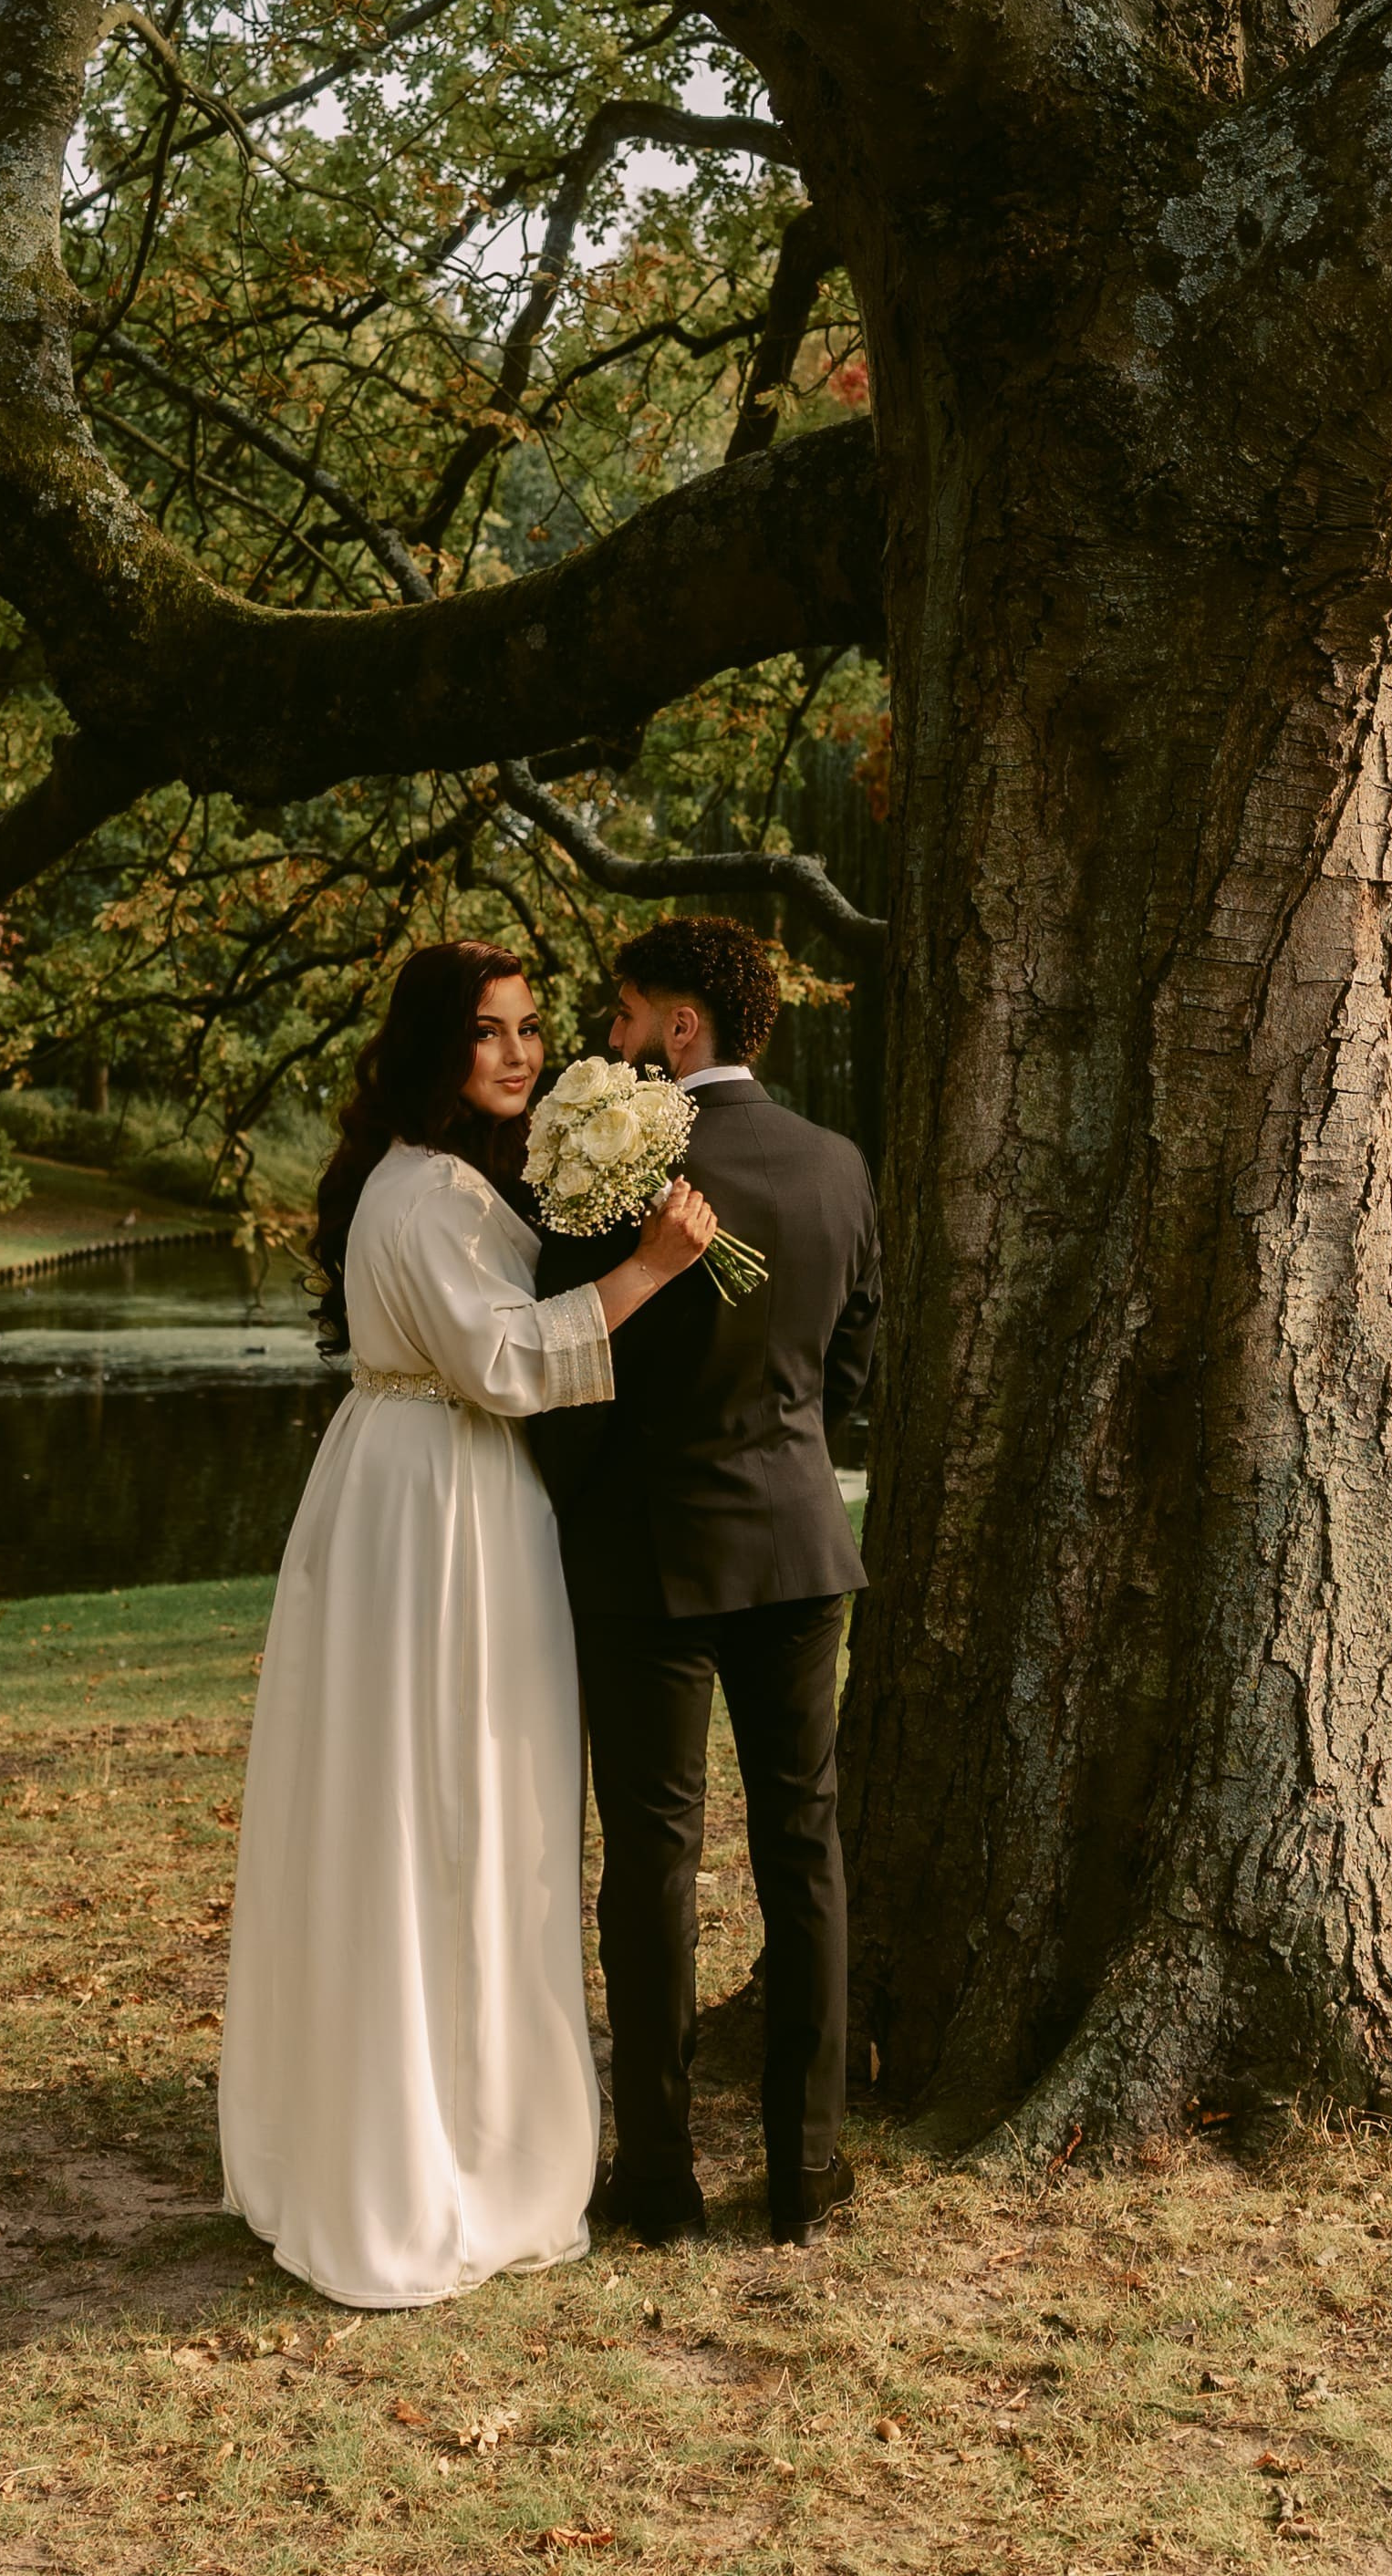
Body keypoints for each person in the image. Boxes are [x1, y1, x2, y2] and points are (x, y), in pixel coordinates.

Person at [218, 940, 716, 2310]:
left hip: (406, 1487)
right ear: (437, 1048)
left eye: (530, 1028)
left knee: (421, 1800)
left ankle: (418, 2118)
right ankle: (433, 2150)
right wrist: (652, 1269)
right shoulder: (431, 1194)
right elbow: (503, 1361)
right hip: (441, 1502)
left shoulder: (425, 1177)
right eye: (489, 1032)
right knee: (452, 1802)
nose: (518, 1053)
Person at [535, 915, 881, 2251]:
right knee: (805, 1847)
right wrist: (783, 1452)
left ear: (683, 1027)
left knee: (654, 1863)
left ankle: (662, 2179)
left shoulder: (609, 1171)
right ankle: (805, 2168)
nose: (610, 1039)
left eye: (626, 1015)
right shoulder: (837, 1164)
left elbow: (571, 1373)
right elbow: (852, 1365)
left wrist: (576, 1500)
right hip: (798, 1546)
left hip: (648, 1558)